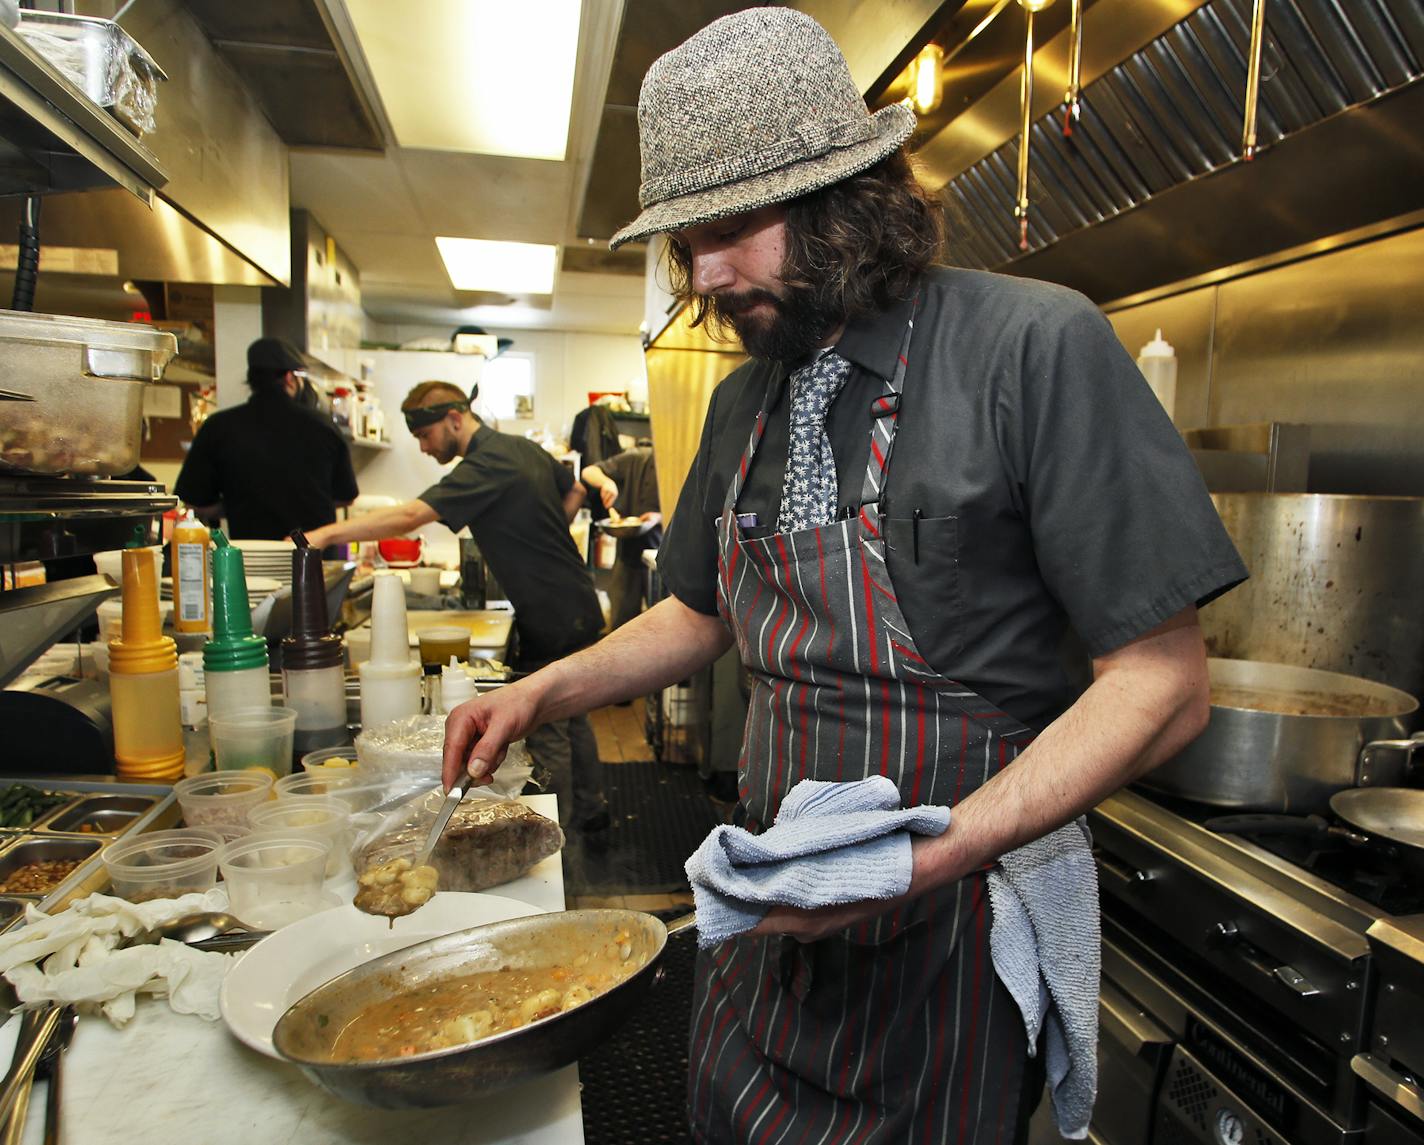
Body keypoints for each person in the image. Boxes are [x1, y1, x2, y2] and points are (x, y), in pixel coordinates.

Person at [439, 8, 1247, 1142]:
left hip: (950, 929)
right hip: (773, 905)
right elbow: (694, 609)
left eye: (731, 227)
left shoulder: (1030, 346)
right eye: (687, 241)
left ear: (847, 201)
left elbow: (1159, 681)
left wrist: (927, 856)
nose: (705, 273)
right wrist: (543, 688)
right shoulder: (741, 399)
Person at [304, 381, 609, 835]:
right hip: (573, 597)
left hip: (550, 610)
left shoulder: (485, 462)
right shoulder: (518, 448)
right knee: (572, 711)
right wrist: (539, 537)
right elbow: (576, 493)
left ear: (454, 419)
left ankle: (558, 840)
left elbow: (411, 518)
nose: (424, 449)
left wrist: (326, 536)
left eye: (426, 437)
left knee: (549, 728)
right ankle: (592, 809)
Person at [175, 338, 357, 541]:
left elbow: (193, 501)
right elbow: (347, 496)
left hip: (252, 558)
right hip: (313, 560)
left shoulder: (218, 427)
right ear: (289, 378)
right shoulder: (323, 425)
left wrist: (238, 505)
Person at [579, 441, 662, 629]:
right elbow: (588, 471)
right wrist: (606, 482)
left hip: (665, 562)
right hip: (628, 556)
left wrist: (660, 517)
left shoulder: (684, 463)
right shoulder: (637, 457)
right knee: (621, 628)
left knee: (661, 630)